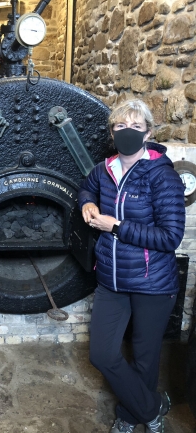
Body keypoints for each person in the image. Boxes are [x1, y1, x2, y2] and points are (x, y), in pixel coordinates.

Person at [78, 99, 185, 433]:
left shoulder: (162, 176)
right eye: (120, 126)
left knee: (144, 357)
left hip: (152, 283)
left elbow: (170, 237)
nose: (127, 133)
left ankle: (129, 415)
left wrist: (116, 226)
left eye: (135, 127)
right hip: (111, 279)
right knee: (102, 354)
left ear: (148, 133)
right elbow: (86, 189)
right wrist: (88, 202)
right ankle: (153, 408)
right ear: (112, 133)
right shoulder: (104, 169)